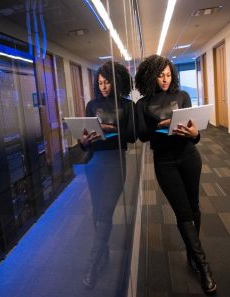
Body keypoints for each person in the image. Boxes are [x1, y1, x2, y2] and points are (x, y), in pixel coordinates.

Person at [135, 54, 217, 294]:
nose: (165, 79)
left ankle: (193, 254)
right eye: (161, 75)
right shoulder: (143, 104)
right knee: (182, 212)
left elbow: (196, 132)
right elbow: (141, 135)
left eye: (169, 74)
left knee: (194, 207)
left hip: (189, 156)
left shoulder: (182, 96)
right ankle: (204, 267)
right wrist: (159, 126)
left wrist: (194, 134)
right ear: (151, 76)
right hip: (165, 161)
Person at [79, 61, 136, 289]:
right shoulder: (91, 105)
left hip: (115, 163)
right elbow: (85, 141)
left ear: (116, 81)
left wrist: (114, 130)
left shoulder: (127, 105)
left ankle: (93, 262)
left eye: (107, 82)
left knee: (104, 211)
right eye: (100, 83)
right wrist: (82, 142)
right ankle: (103, 255)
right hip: (94, 163)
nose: (103, 86)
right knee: (97, 212)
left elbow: (132, 137)